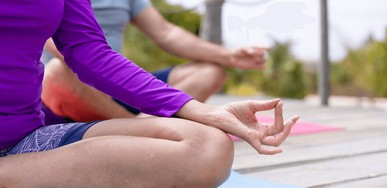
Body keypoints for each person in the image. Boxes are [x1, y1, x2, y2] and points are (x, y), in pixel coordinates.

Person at [0, 0, 298, 188]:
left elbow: (89, 51)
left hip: (25, 144)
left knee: (208, 149)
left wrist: (200, 111)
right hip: (30, 151)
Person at [41, 0, 269, 122]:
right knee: (57, 70)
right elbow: (81, 54)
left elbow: (166, 33)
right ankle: (143, 128)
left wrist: (229, 56)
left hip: (116, 87)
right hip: (71, 87)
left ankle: (141, 124)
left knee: (210, 71)